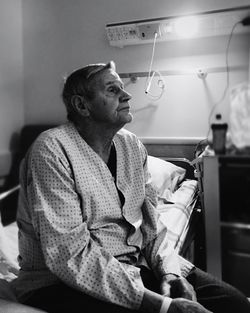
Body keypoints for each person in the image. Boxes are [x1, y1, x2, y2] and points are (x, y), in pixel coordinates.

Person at [11, 61, 250, 313]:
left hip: (134, 264)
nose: (127, 95)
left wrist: (170, 273)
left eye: (122, 88)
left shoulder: (132, 146)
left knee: (234, 304)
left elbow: (152, 223)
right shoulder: (51, 151)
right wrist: (163, 306)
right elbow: (68, 253)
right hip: (59, 283)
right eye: (113, 90)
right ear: (82, 105)